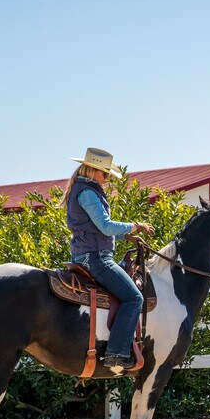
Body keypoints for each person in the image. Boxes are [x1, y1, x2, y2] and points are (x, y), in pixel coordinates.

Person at [62, 147, 155, 369]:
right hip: (96, 259)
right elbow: (104, 226)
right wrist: (136, 226)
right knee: (134, 299)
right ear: (94, 170)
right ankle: (117, 352)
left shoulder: (83, 190)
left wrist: (126, 235)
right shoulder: (88, 193)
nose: (107, 179)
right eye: (105, 174)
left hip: (87, 255)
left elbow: (95, 226)